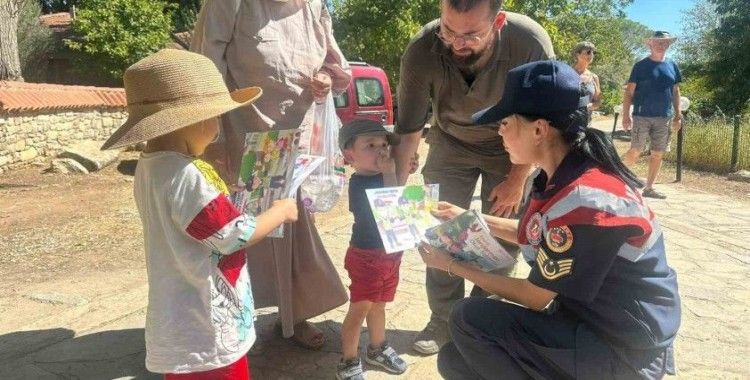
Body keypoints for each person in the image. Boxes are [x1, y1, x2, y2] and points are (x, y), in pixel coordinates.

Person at [418, 60, 681, 379]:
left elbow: (535, 296)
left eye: (505, 122)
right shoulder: (555, 177)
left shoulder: (589, 200)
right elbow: (539, 232)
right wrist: (467, 217)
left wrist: (450, 265)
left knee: (468, 317)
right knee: (455, 361)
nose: (499, 131)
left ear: (539, 129)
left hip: (623, 349)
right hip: (587, 321)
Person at [100, 49, 299, 379]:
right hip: (209, 333)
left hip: (179, 327)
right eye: (217, 118)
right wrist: (280, 211)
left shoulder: (150, 169)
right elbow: (236, 235)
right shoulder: (188, 176)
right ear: (194, 120)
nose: (218, 128)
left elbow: (200, 219)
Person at [391, 0, 555, 355]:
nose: (456, 43)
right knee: (441, 231)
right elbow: (408, 130)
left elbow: (540, 120)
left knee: (501, 236)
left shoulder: (530, 42)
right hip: (450, 144)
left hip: (511, 145)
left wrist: (517, 180)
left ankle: (482, 312)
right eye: (448, 30)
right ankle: (444, 317)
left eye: (471, 35)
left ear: (498, 22)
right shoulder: (422, 48)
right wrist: (395, 190)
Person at [191, 0, 351, 349]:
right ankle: (229, 317)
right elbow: (206, 64)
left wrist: (324, 78)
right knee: (241, 228)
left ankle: (294, 315)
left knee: (292, 227)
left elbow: (334, 66)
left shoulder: (313, 6)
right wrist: (212, 135)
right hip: (243, 134)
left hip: (298, 134)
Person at [335, 119, 408, 380]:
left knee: (379, 305)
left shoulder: (383, 175)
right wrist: (391, 173)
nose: (381, 150)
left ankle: (377, 348)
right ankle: (348, 361)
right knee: (360, 309)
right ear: (349, 155)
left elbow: (402, 206)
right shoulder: (358, 184)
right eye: (370, 145)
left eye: (384, 143)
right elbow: (388, 209)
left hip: (390, 254)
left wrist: (404, 167)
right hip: (367, 257)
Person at [622, 31, 683, 199]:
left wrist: (678, 114)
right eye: (657, 42)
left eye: (664, 42)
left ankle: (649, 188)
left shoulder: (672, 65)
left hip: (664, 117)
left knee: (658, 153)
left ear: (668, 44)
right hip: (642, 115)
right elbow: (629, 93)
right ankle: (617, 175)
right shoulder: (640, 66)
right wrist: (625, 115)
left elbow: (675, 91)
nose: (661, 45)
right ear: (650, 44)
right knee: (636, 149)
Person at [571, 41, 601, 124]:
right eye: (588, 52)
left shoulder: (594, 78)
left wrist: (587, 107)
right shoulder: (567, 72)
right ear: (577, 54)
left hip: (585, 123)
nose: (591, 55)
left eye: (592, 52)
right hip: (565, 121)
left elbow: (598, 102)